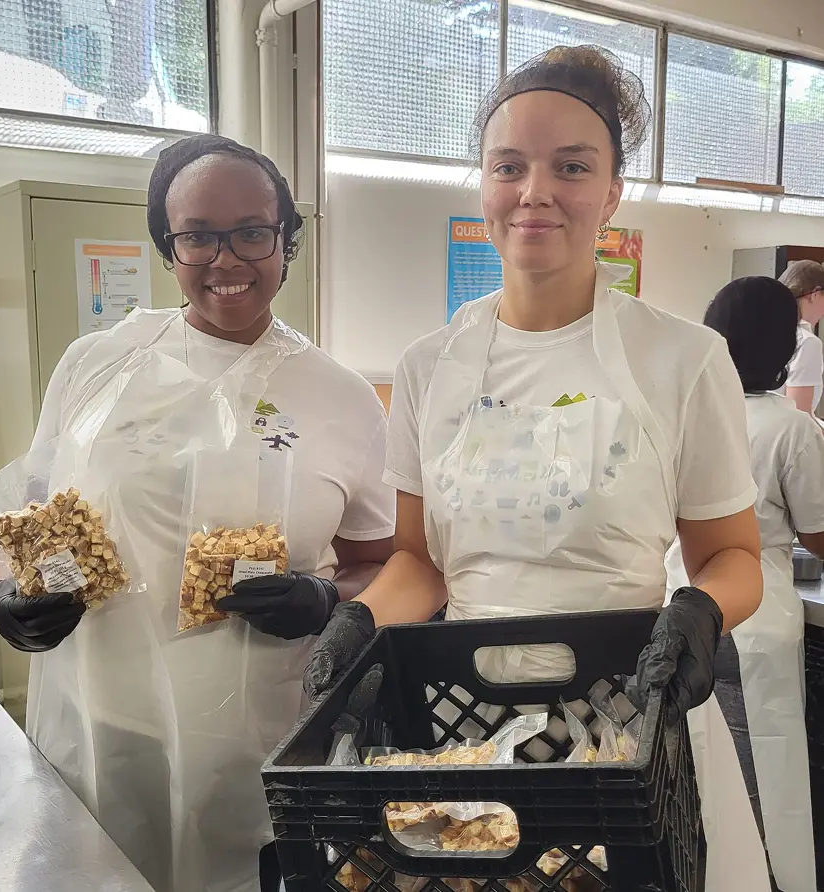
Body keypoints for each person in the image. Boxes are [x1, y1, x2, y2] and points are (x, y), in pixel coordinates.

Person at [303, 46, 770, 889]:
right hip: (467, 728)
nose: (536, 192)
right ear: (482, 182)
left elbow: (733, 556)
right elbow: (419, 561)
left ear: (613, 193)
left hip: (633, 723)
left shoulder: (683, 359)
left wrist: (701, 611)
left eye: (572, 167)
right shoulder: (429, 366)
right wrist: (361, 622)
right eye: (509, 166)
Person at [0, 134, 396, 892]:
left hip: (251, 736)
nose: (225, 258)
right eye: (197, 236)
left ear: (286, 241)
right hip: (100, 720)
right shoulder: (95, 363)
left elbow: (384, 560)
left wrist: (326, 597)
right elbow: (32, 518)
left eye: (251, 232)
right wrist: (6, 590)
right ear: (168, 248)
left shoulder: (341, 396)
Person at [667, 276, 824, 892]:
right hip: (757, 625)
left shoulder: (688, 420)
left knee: (704, 782)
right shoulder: (791, 430)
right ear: (785, 349)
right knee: (769, 777)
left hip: (688, 619)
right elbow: (819, 534)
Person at [779, 259, 824, 416]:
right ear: (815, 295)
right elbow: (799, 414)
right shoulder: (807, 342)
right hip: (788, 435)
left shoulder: (768, 332)